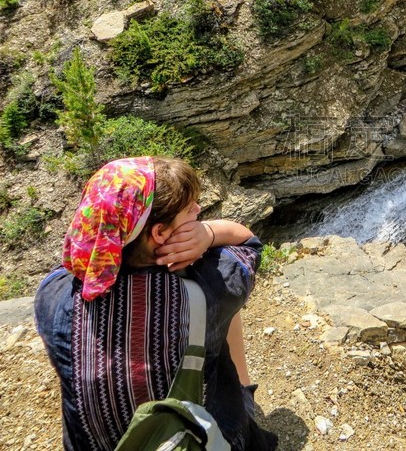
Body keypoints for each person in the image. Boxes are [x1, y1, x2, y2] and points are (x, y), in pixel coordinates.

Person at [34, 156, 277, 451]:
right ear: (159, 234)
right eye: (191, 210)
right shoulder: (209, 286)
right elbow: (248, 243)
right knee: (224, 316)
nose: (199, 211)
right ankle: (243, 395)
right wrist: (209, 233)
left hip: (101, 443)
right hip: (196, 440)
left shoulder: (52, 296)